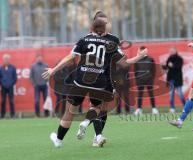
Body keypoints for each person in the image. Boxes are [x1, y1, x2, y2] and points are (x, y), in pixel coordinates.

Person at [42, 18, 147, 148]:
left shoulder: (84, 39)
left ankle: (58, 140)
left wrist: (53, 70)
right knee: (96, 108)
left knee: (70, 112)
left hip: (80, 81)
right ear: (105, 29)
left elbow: (71, 57)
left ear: (91, 29)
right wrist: (140, 56)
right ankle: (87, 123)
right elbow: (124, 63)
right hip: (99, 82)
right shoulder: (111, 42)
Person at [134, 46, 159, 115]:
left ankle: (154, 109)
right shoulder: (137, 60)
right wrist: (137, 79)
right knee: (140, 95)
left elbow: (154, 70)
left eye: (143, 50)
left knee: (151, 94)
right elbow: (135, 71)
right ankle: (139, 109)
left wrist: (151, 78)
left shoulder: (151, 59)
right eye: (141, 50)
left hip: (149, 80)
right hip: (140, 80)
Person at [165, 47, 185, 113]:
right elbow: (167, 67)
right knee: (171, 95)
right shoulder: (169, 58)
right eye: (170, 51)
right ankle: (172, 108)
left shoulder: (179, 58)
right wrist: (164, 66)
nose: (171, 52)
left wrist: (172, 65)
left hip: (178, 79)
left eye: (172, 50)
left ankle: (185, 107)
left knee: (180, 94)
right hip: (171, 79)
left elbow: (179, 66)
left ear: (176, 51)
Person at [0, 54, 17, 118]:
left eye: (7, 59)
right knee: (3, 101)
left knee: (11, 101)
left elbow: (15, 78)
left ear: (9, 60)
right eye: (5, 59)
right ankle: (2, 115)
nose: (6, 60)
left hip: (10, 87)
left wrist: (11, 84)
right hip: (3, 87)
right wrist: (2, 84)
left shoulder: (13, 67)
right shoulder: (1, 68)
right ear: (3, 60)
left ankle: (12, 115)